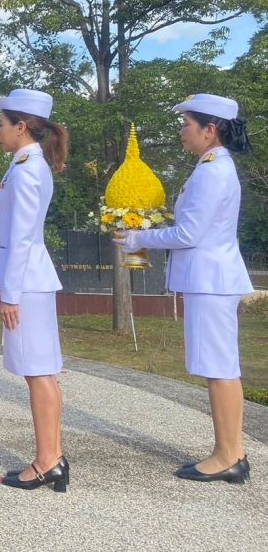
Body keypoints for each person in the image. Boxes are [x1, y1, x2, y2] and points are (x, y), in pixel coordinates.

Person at [114, 93, 253, 484]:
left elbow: (189, 234)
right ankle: (231, 452)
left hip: (210, 281)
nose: (182, 131)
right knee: (220, 368)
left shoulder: (212, 171)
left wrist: (138, 238)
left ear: (210, 130)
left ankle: (228, 455)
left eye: (187, 124)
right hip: (212, 280)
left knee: (219, 369)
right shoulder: (212, 166)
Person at [0, 89, 69, 492]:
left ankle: (48, 462)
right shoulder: (25, 164)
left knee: (38, 373)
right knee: (41, 371)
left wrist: (9, 293)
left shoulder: (28, 169)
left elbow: (21, 238)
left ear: (21, 126)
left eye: (1, 124)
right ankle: (52, 456)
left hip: (26, 283)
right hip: (29, 280)